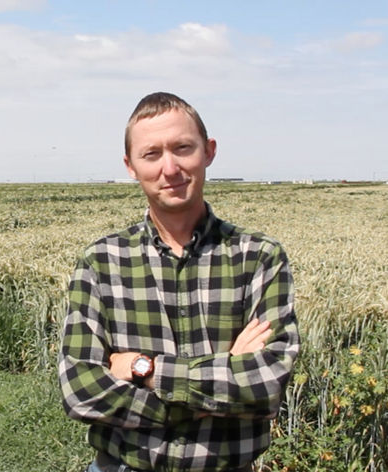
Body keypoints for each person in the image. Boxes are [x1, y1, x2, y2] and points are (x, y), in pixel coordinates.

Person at [58, 92, 300, 472]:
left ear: (209, 151)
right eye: (151, 154)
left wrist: (144, 369)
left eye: (183, 148)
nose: (169, 168)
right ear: (131, 166)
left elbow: (265, 385)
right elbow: (80, 390)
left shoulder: (259, 257)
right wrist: (223, 376)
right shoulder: (101, 261)